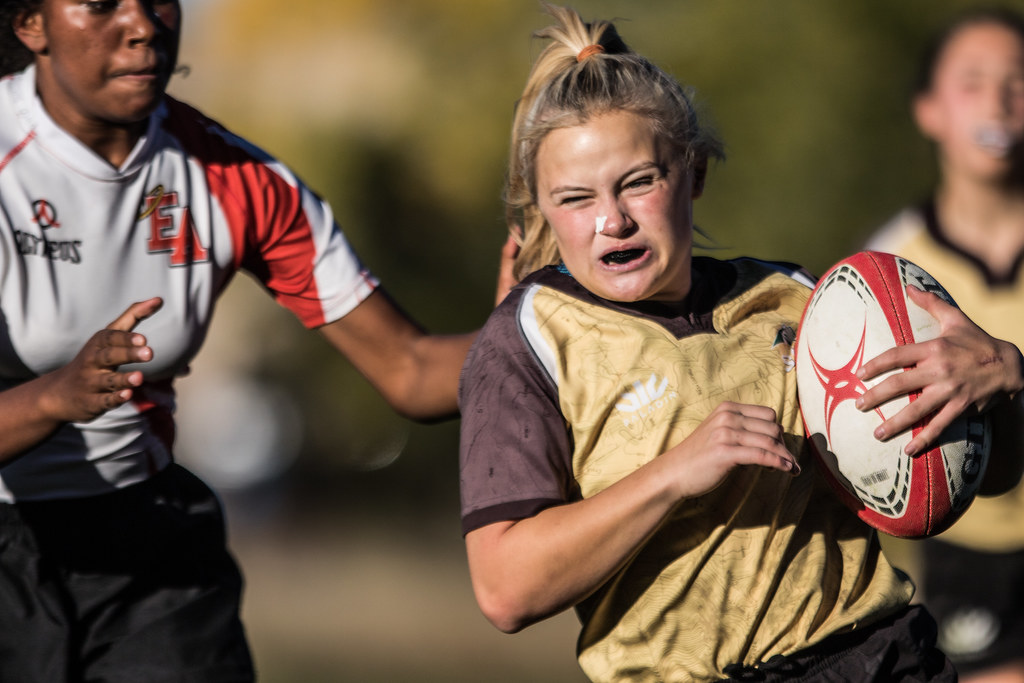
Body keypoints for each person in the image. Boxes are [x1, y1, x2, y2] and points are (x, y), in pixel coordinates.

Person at [458, 5, 1024, 681]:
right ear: (544, 207)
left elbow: (979, 478)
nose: (611, 219)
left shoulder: (803, 298)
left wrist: (1001, 385)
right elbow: (505, 589)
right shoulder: (529, 340)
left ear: (692, 172)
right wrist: (672, 474)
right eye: (576, 197)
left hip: (878, 656)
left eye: (639, 181)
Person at [0, 0, 484, 680]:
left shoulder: (236, 180)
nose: (142, 25)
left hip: (149, 558)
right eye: (103, 3)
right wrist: (55, 397)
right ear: (31, 24)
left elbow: (410, 368)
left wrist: (546, 330)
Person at [866, 7, 1024, 682]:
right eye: (973, 81)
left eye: (1019, 80)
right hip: (966, 556)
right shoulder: (885, 272)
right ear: (928, 110)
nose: (999, 100)